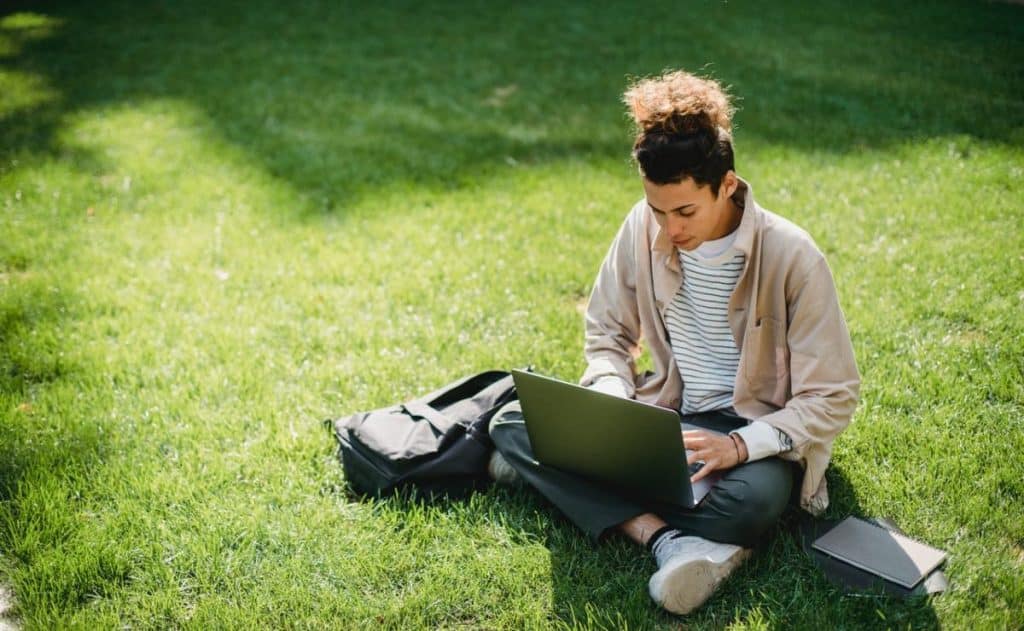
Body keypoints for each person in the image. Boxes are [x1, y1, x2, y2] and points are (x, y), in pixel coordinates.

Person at [487, 69, 860, 615]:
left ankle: (563, 481)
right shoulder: (643, 225)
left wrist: (737, 446)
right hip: (663, 416)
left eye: (685, 211)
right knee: (512, 422)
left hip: (750, 435)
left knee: (753, 504)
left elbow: (832, 396)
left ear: (727, 185)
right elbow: (607, 332)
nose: (668, 229)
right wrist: (613, 393)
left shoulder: (793, 257)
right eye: (657, 209)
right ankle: (668, 541)